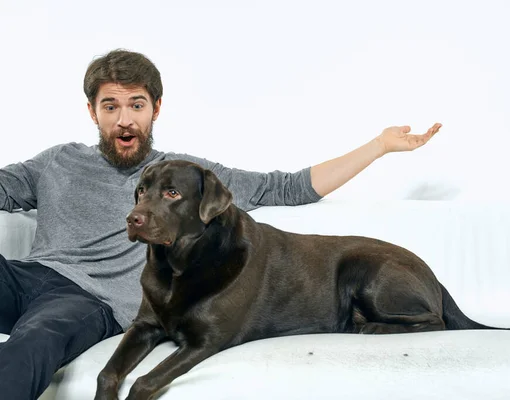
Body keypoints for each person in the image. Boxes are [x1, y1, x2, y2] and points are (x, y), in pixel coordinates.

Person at [0, 48, 441, 399]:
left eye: (136, 105)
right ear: (92, 112)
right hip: (29, 276)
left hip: (86, 300)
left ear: (155, 109)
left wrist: (378, 146)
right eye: (110, 106)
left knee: (32, 343)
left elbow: (285, 187)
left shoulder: (186, 178)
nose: (124, 119)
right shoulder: (56, 161)